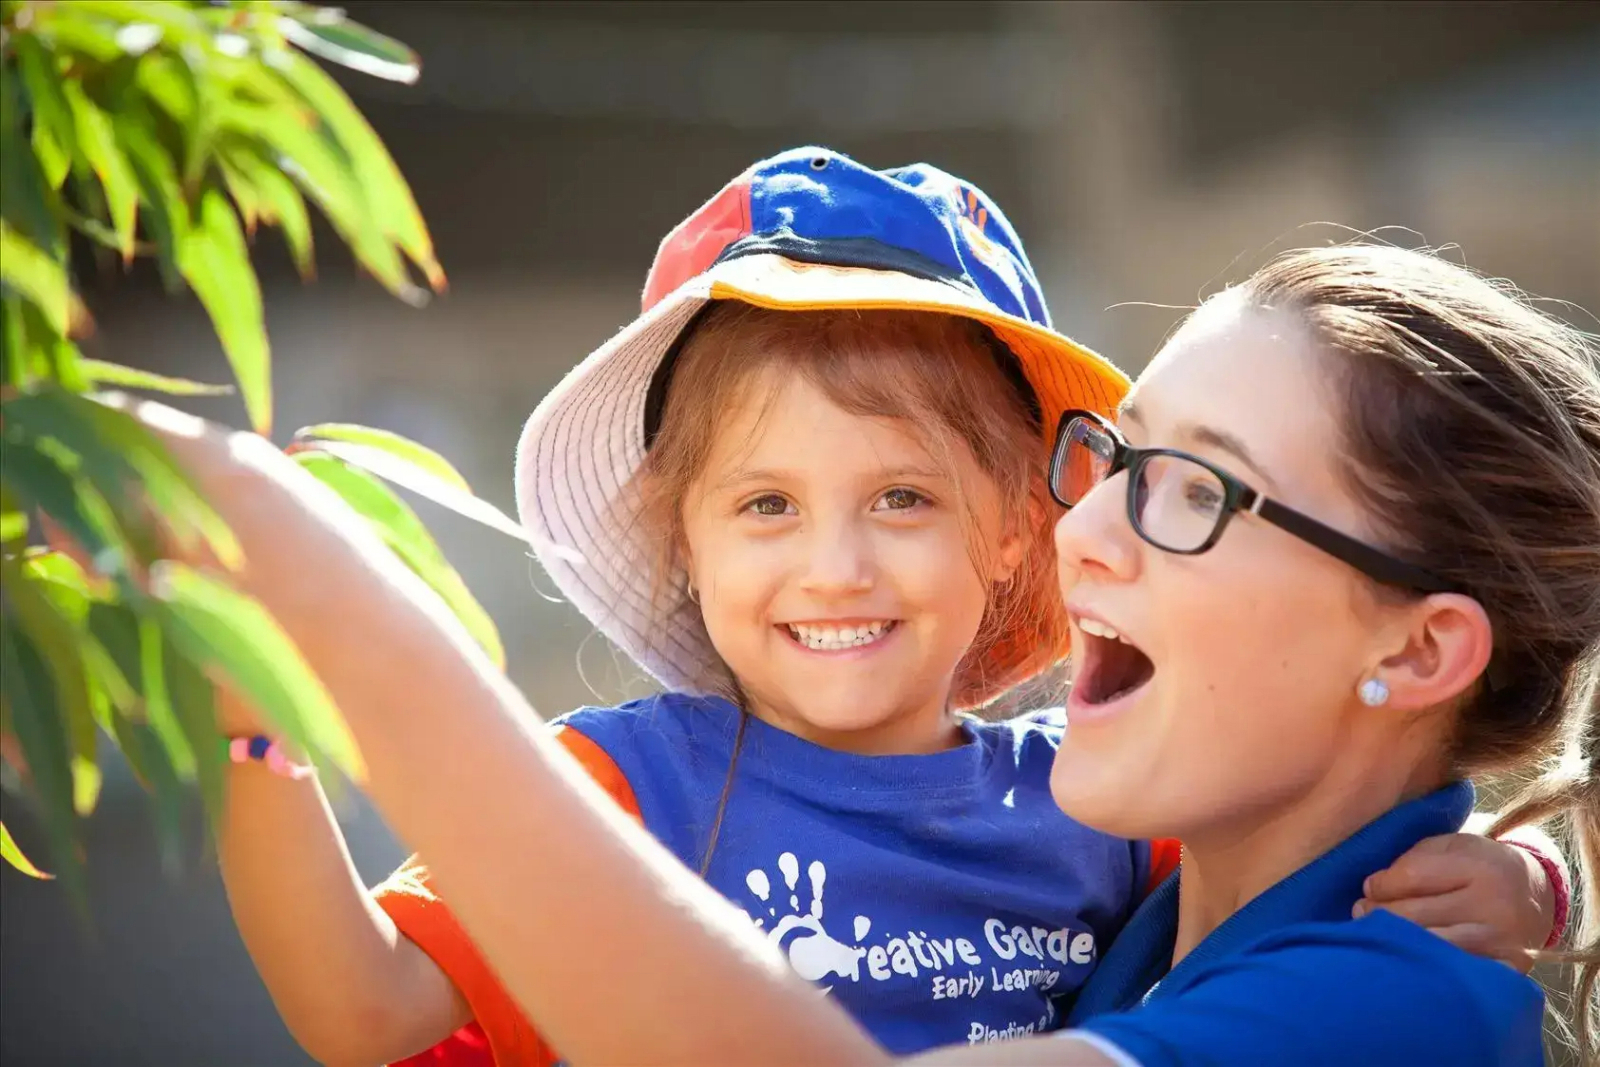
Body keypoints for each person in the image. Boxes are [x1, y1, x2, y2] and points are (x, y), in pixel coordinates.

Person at [109, 195, 1581, 1062]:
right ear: (677, 539)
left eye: (1193, 491)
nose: (1089, 531)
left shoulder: (1383, 1005)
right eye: (1116, 463)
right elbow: (364, 1004)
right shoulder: (1179, 895)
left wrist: (355, 632)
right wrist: (1542, 881)